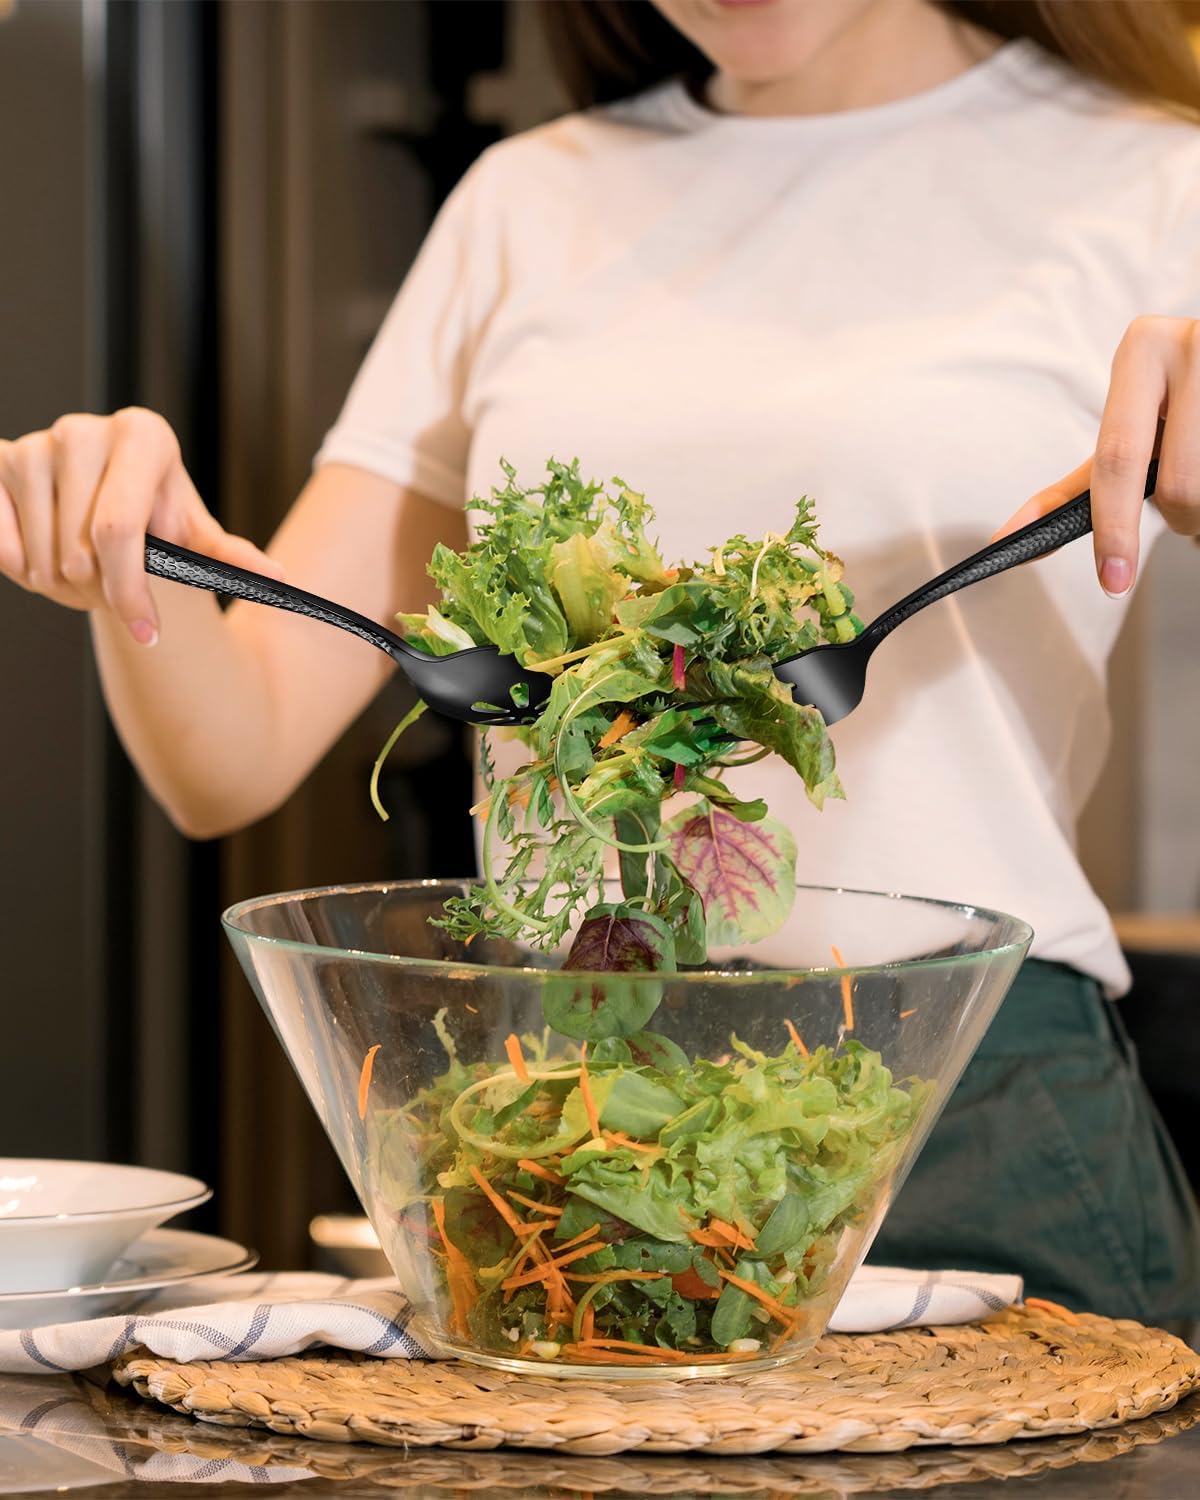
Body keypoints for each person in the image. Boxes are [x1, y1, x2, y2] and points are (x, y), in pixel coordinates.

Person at [2, 0, 1199, 1321]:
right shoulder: (527, 203)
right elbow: (228, 756)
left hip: (971, 1112)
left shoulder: (1155, 176)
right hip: (580, 1108)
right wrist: (126, 553)